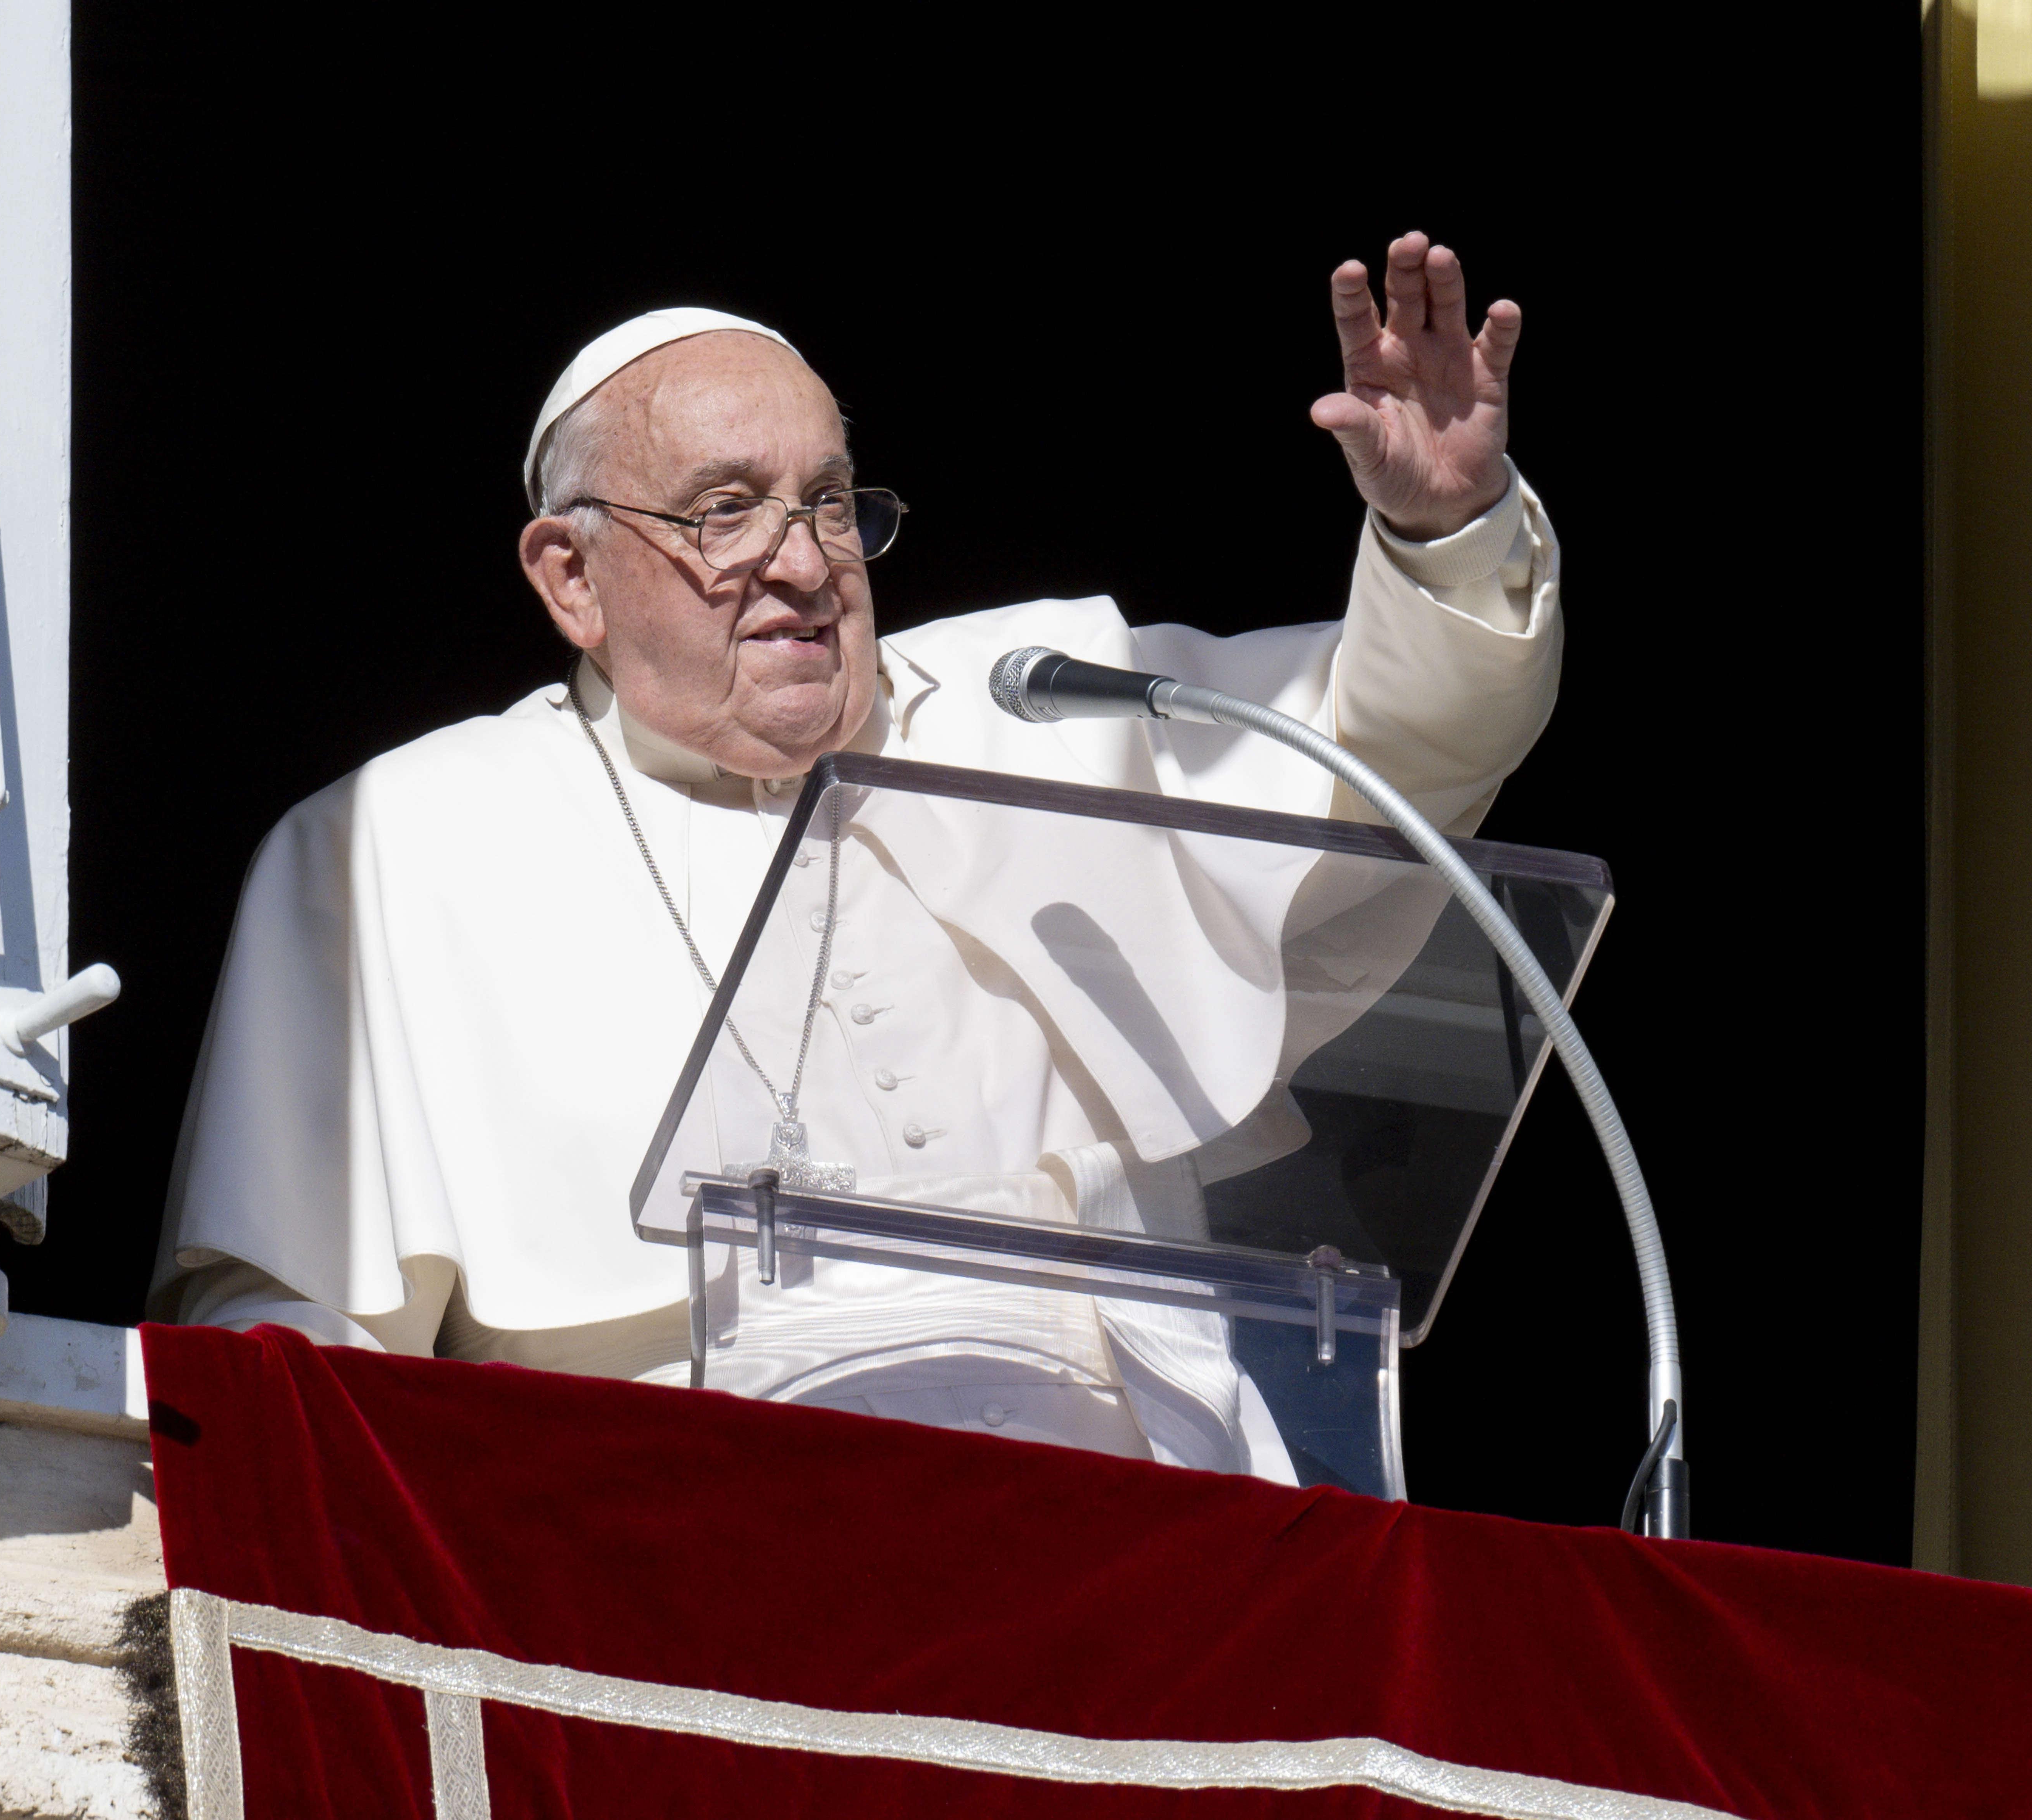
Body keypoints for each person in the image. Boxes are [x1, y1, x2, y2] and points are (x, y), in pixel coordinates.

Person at [148, 233, 1561, 1479]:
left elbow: (1387, 766)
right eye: (724, 511)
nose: (807, 564)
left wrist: (1440, 531)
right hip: (677, 1533)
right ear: (568, 578)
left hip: (1146, 1507)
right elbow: (286, 1328)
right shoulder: (402, 839)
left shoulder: (1033, 703)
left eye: (830, 502)